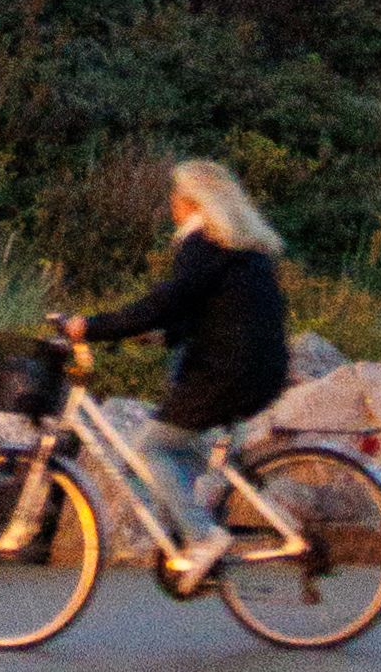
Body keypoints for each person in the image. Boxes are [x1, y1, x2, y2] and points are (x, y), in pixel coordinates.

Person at [69, 153, 293, 583]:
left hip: (226, 371)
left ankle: (203, 538)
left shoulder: (203, 243)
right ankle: (191, 536)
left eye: (177, 193)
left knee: (152, 447)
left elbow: (167, 301)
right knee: (182, 449)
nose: (171, 201)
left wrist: (93, 327)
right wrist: (161, 335)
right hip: (256, 369)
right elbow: (210, 310)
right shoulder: (237, 246)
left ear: (193, 201)